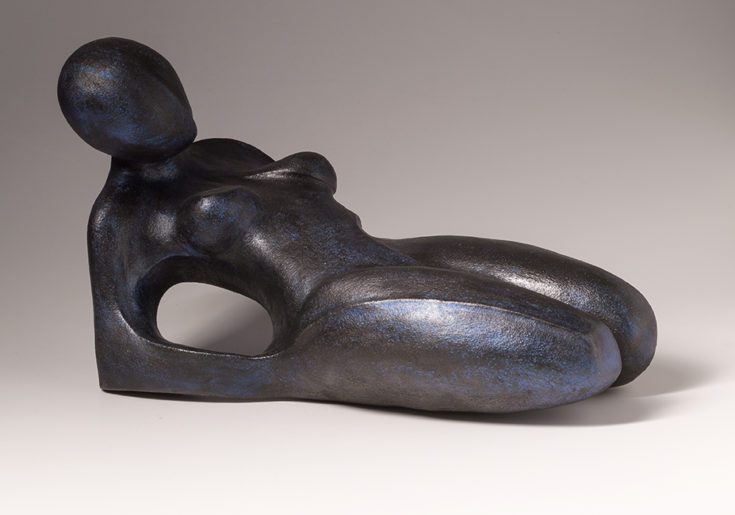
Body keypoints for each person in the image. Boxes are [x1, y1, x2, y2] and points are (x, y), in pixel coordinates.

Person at [57, 37, 656, 413]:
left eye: (154, 84)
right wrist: (287, 372)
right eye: (119, 100)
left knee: (628, 324)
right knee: (585, 355)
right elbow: (126, 358)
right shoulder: (122, 216)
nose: (157, 106)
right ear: (92, 127)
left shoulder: (226, 151)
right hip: (335, 302)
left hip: (398, 252)